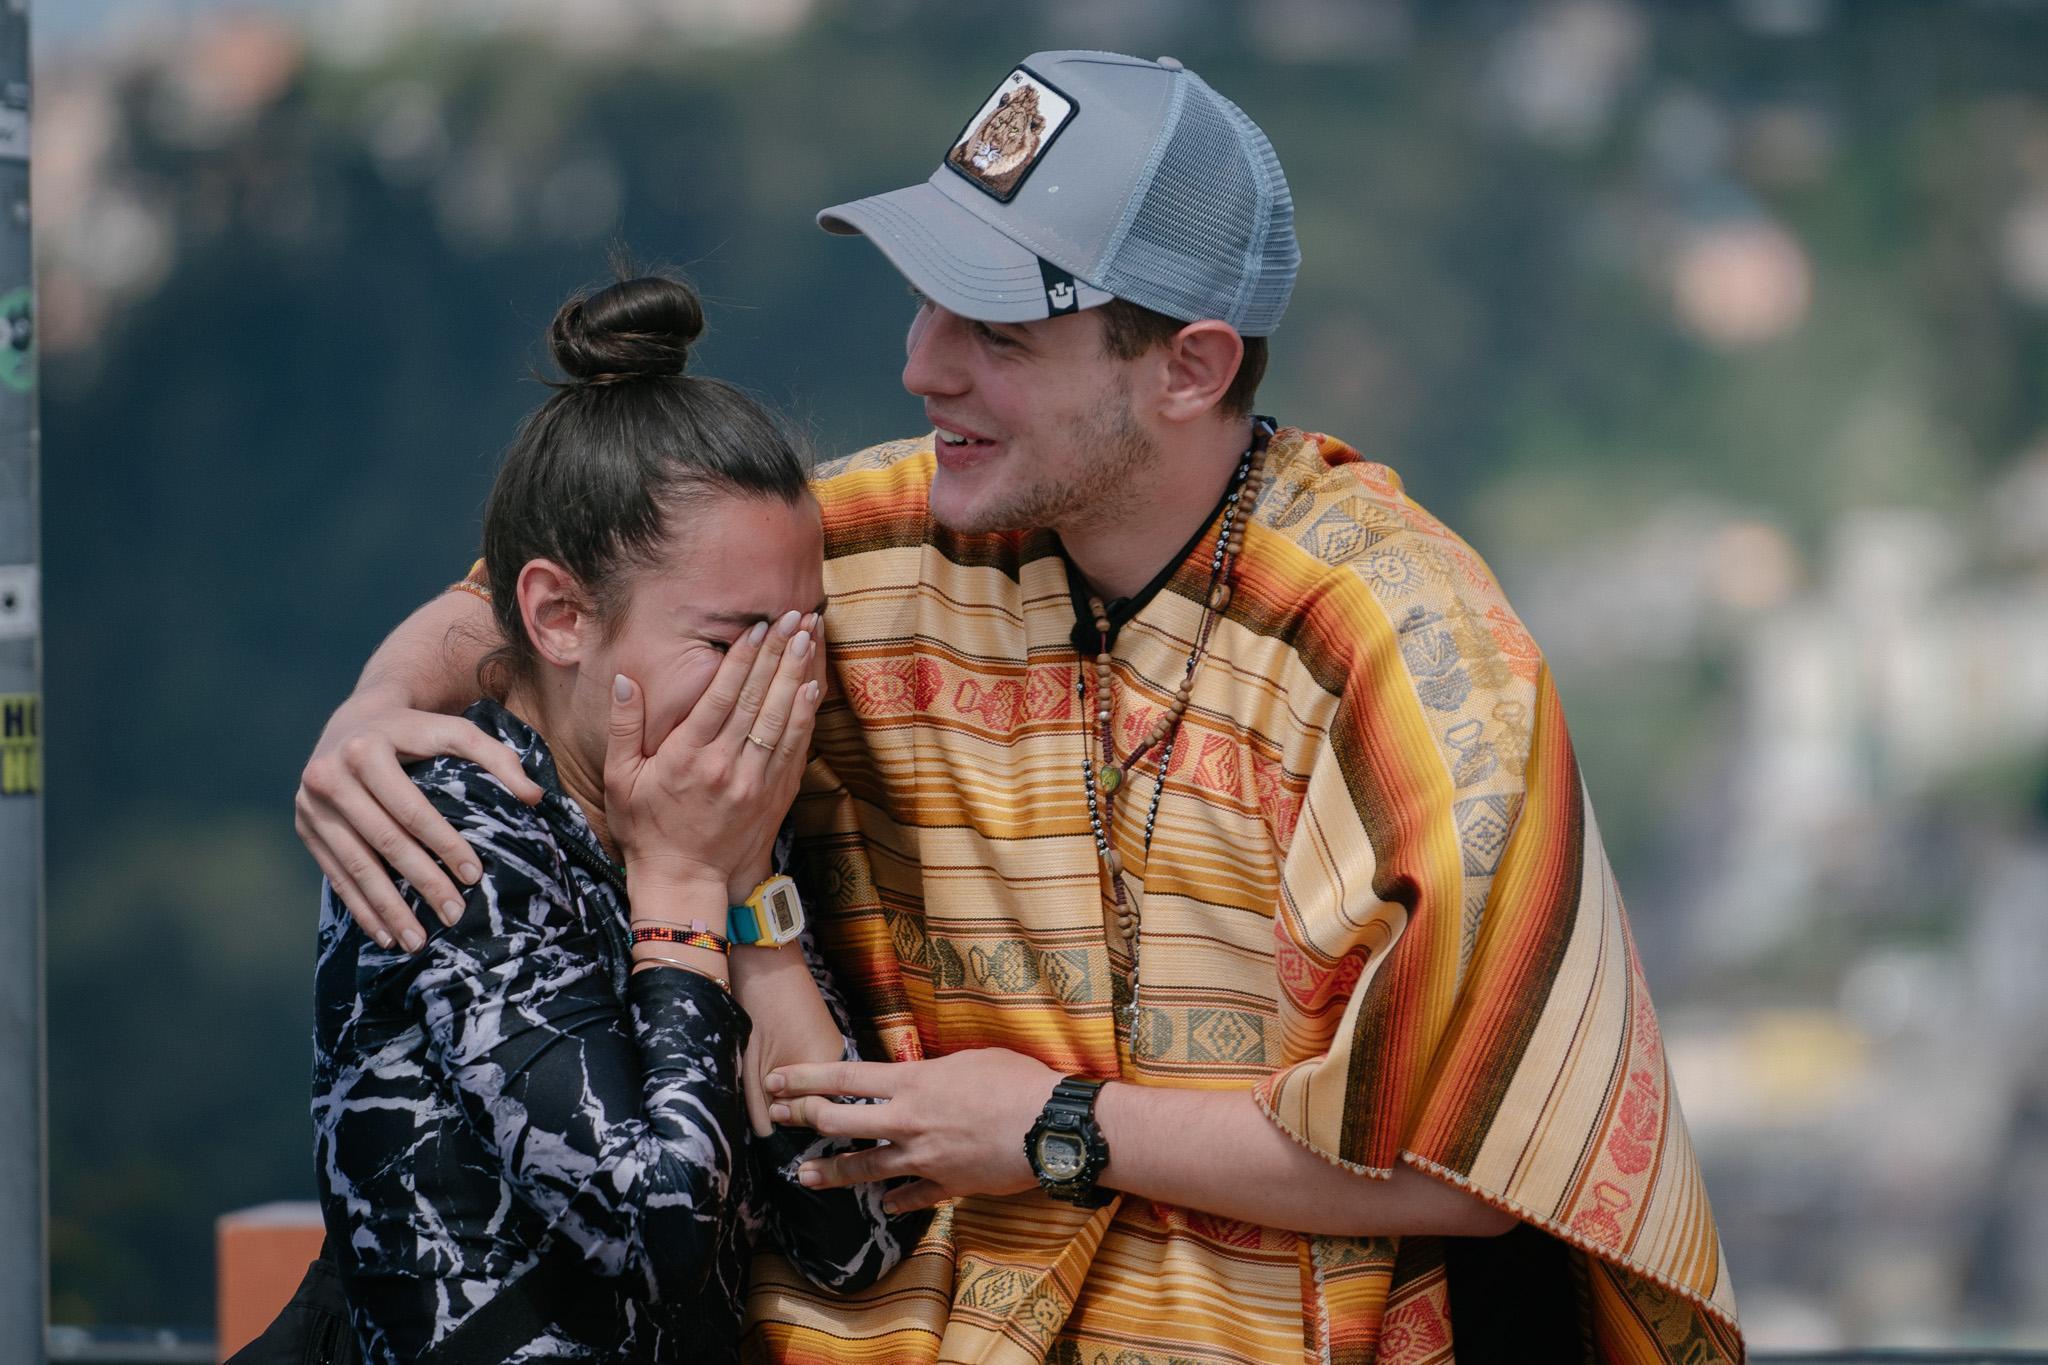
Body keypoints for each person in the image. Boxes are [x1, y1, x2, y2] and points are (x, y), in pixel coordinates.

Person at [297, 52, 1743, 1365]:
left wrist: (1061, 1129)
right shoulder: (887, 530)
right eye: (928, 299)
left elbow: (1473, 1159)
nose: (921, 364)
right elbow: (555, 590)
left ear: (1189, 365)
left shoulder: (1397, 646)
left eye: (997, 327)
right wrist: (375, 709)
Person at [309, 273, 924, 1364]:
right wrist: (683, 894)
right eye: (731, 641)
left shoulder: (712, 819)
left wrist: (752, 903)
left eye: (806, 638)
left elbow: (859, 1236)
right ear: (558, 616)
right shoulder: (450, 832)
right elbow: (655, 1231)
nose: (786, 689)